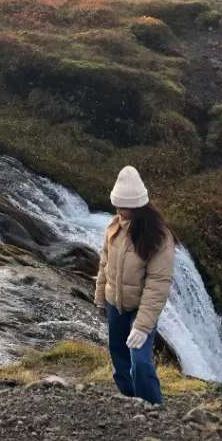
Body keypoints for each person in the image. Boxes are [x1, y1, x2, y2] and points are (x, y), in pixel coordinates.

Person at [94, 165, 175, 405]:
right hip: (114, 304)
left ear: (139, 205)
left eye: (125, 206)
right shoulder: (114, 227)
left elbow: (158, 284)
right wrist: (100, 296)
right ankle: (130, 403)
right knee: (119, 358)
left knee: (140, 362)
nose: (120, 211)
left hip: (140, 309)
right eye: (117, 205)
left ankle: (153, 406)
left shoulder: (159, 236)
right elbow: (105, 263)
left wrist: (142, 325)